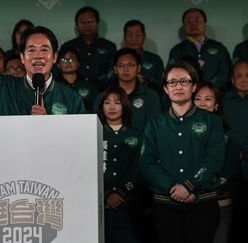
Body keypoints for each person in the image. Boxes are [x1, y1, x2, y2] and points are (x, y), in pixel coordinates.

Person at [139, 60, 225, 243]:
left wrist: (189, 185)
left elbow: (214, 159)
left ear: (193, 86)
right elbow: (147, 162)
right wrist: (173, 187)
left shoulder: (212, 121)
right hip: (164, 204)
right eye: (172, 82)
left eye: (184, 81)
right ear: (165, 88)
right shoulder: (155, 124)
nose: (178, 86)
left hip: (203, 202)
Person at [0, 0, 85, 115]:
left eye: (44, 49)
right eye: (31, 50)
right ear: (22, 57)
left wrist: (49, 125)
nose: (37, 56)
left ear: (54, 57)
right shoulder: (4, 87)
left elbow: (80, 136)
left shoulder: (71, 98)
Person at [193, 82, 241, 243]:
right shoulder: (181, 134)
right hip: (190, 205)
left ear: (216, 105)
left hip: (219, 203)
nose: (202, 103)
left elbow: (230, 172)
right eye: (197, 98)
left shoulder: (229, 136)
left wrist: (198, 187)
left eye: (208, 99)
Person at [97, 86, 142, 243]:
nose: (111, 107)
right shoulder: (94, 133)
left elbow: (139, 167)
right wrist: (107, 193)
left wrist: (121, 192)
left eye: (117, 102)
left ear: (125, 105)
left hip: (129, 201)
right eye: (107, 102)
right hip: (99, 201)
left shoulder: (136, 134)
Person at [96, 48, 161, 131]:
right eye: (121, 65)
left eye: (130, 65)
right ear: (115, 69)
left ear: (139, 68)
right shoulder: (103, 97)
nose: (126, 69)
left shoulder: (151, 97)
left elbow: (154, 129)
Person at [168, 8, 231, 92]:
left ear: (205, 23)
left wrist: (209, 88)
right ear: (184, 26)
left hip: (215, 95)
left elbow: (225, 73)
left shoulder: (219, 48)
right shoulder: (177, 50)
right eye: (189, 22)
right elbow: (172, 75)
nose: (193, 24)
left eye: (197, 21)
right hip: (187, 97)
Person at [222, 61, 248, 243]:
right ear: (232, 80)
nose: (244, 79)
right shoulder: (223, 102)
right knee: (235, 220)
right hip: (233, 169)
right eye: (239, 76)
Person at [60, 6, 116, 90]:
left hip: (102, 92)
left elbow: (113, 72)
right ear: (77, 25)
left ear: (97, 23)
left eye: (90, 21)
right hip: (72, 92)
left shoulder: (109, 46)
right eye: (83, 22)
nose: (87, 25)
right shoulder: (68, 46)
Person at [123, 19, 164, 94]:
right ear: (124, 37)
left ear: (144, 36)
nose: (133, 39)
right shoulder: (116, 59)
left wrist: (145, 82)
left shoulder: (155, 59)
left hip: (149, 100)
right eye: (129, 35)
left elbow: (162, 85)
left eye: (137, 35)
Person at [56, 46, 99, 113]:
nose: (68, 62)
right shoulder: (53, 87)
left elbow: (96, 110)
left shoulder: (90, 86)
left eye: (71, 59)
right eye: (64, 60)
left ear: (78, 63)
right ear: (58, 64)